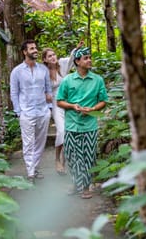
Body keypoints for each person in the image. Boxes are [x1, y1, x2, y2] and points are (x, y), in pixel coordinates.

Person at [56, 47, 108, 199]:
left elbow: (104, 101)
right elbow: (59, 101)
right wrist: (73, 106)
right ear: (77, 62)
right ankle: (74, 183)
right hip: (72, 125)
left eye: (90, 57)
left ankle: (85, 187)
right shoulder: (67, 80)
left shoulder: (98, 80)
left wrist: (92, 109)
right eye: (86, 58)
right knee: (72, 157)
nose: (89, 60)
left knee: (88, 157)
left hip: (90, 126)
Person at [10, 39, 52, 183]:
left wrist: (49, 108)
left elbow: (48, 89)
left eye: (35, 48)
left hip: (43, 111)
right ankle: (30, 173)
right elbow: (14, 93)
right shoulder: (16, 71)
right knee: (28, 143)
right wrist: (18, 112)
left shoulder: (43, 69)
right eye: (32, 48)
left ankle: (34, 168)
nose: (35, 50)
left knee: (40, 143)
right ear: (24, 52)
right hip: (26, 112)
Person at [42, 41, 83, 175]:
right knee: (61, 131)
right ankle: (57, 159)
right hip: (56, 103)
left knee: (69, 132)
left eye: (53, 54)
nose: (53, 57)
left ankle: (65, 163)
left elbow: (71, 58)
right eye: (49, 56)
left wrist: (76, 48)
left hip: (68, 102)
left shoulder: (62, 65)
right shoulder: (43, 73)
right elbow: (40, 88)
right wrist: (46, 95)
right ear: (45, 60)